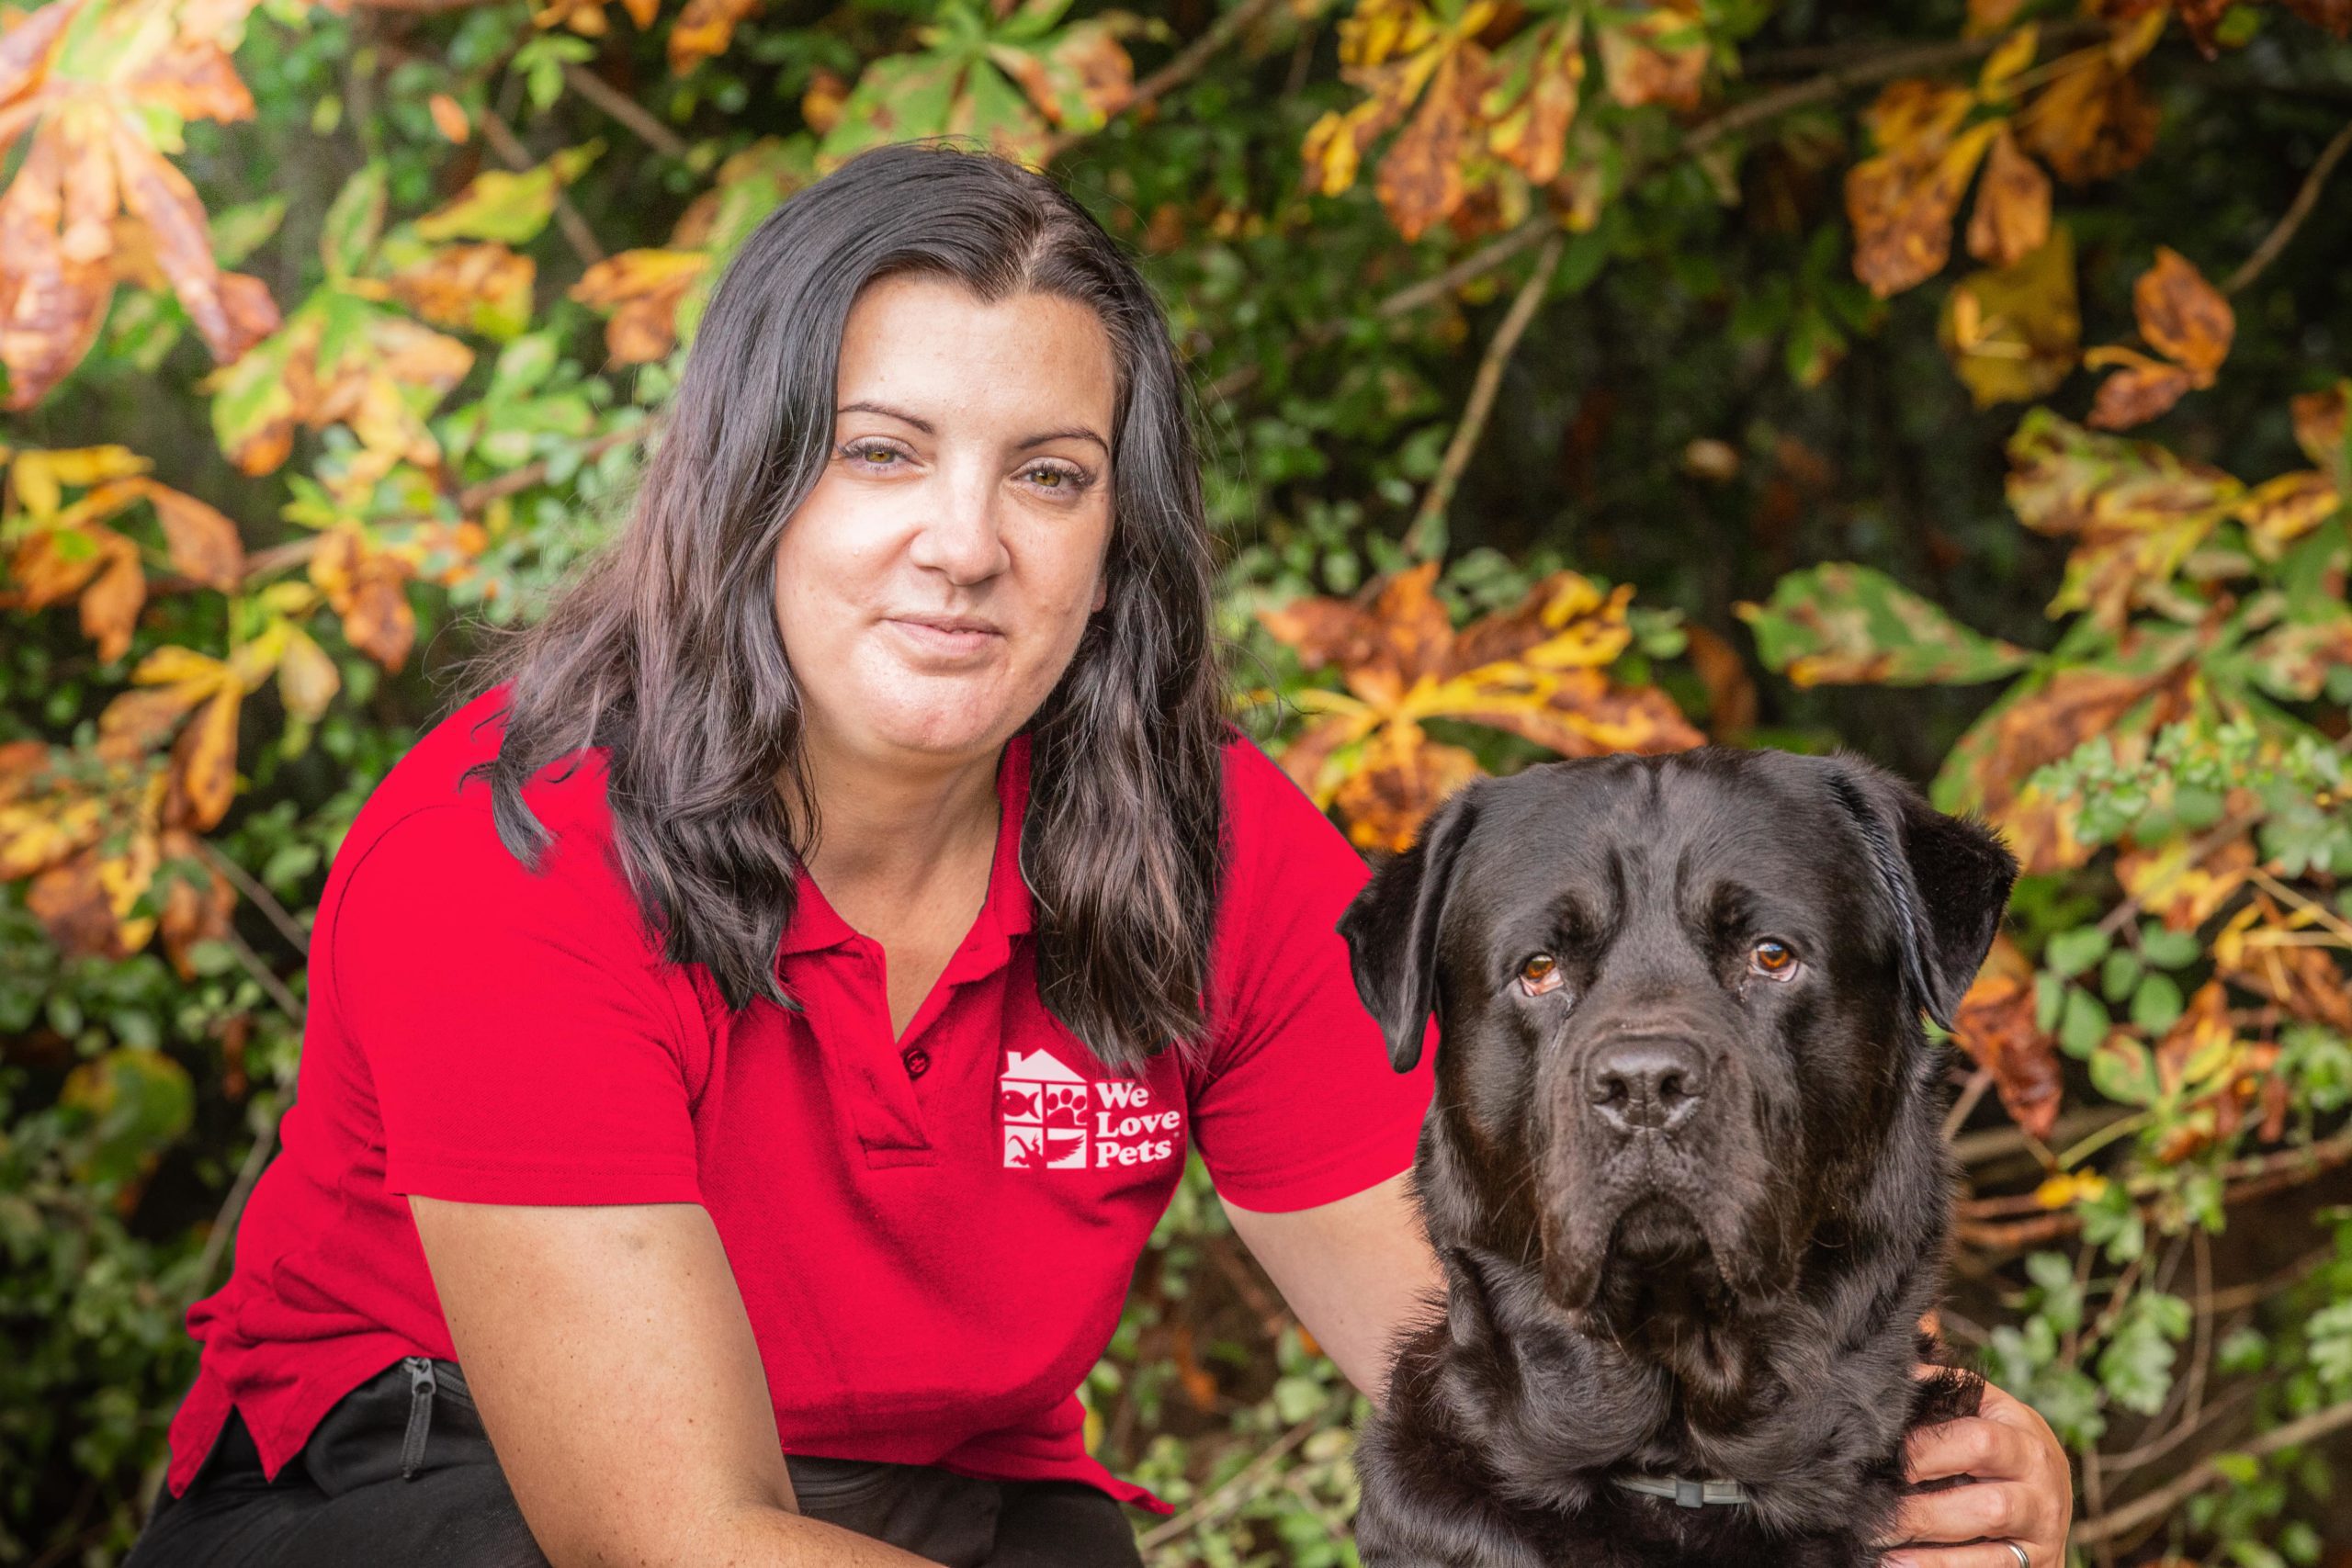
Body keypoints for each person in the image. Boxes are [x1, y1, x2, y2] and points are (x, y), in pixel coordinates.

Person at [125, 140, 2072, 1568]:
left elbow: (1518, 1320)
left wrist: (1914, 1455)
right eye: (879, 451)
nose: (963, 542)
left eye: (1044, 475)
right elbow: (671, 1531)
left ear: (1113, 538)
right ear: (745, 480)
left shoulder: (1210, 850)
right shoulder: (522, 842)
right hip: (428, 1492)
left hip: (961, 1511)